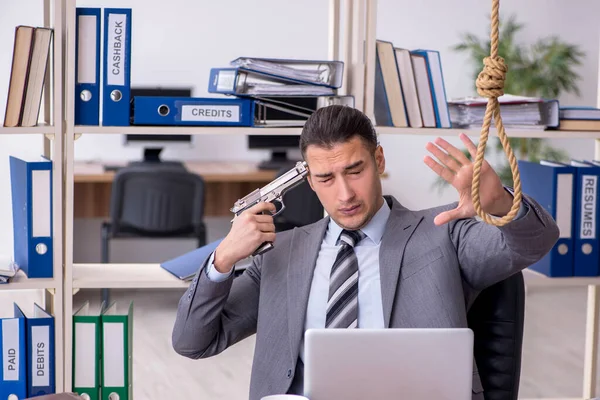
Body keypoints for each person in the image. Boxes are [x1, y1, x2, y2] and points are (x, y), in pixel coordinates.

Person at [172, 105, 559, 400]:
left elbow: (534, 242)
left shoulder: (443, 232)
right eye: (326, 178)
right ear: (311, 181)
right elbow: (193, 342)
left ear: (379, 160)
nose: (345, 195)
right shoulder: (281, 254)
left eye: (355, 170)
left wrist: (499, 203)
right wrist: (223, 259)